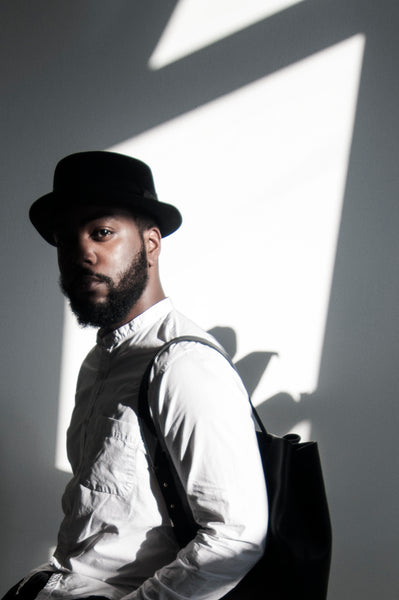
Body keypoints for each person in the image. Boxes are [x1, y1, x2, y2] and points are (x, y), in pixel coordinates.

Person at [4, 151, 268, 600]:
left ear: (151, 242)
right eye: (66, 240)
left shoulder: (183, 364)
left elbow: (236, 535)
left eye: (102, 232)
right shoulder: (100, 362)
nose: (81, 253)